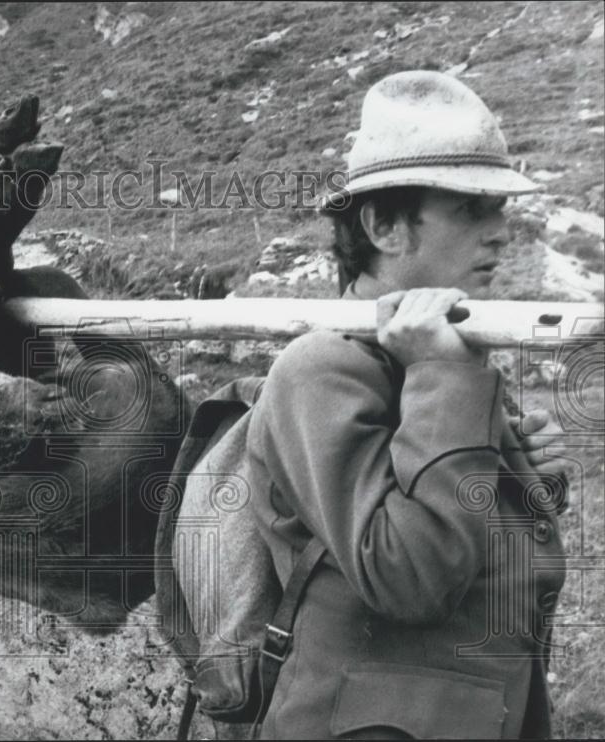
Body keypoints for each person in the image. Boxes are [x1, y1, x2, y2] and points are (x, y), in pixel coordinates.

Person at [247, 71, 570, 739]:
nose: (500, 233)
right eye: (470, 210)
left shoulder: (438, 349)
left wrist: (530, 482)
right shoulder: (322, 369)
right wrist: (443, 379)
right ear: (385, 226)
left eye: (499, 210)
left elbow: (466, 524)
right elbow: (412, 578)